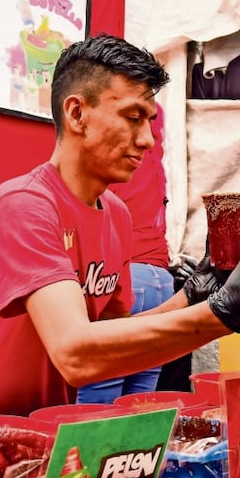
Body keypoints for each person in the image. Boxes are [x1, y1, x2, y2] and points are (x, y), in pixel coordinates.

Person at [0, 34, 240, 416]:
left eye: (149, 121)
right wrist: (226, 313)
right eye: (132, 118)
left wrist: (192, 298)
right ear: (77, 114)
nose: (146, 140)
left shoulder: (114, 213)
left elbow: (114, 338)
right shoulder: (25, 206)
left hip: (40, 426)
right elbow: (75, 353)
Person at [75, 103, 173, 403]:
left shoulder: (108, 157)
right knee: (139, 407)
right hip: (163, 280)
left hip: (126, 278)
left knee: (97, 407)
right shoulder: (153, 154)